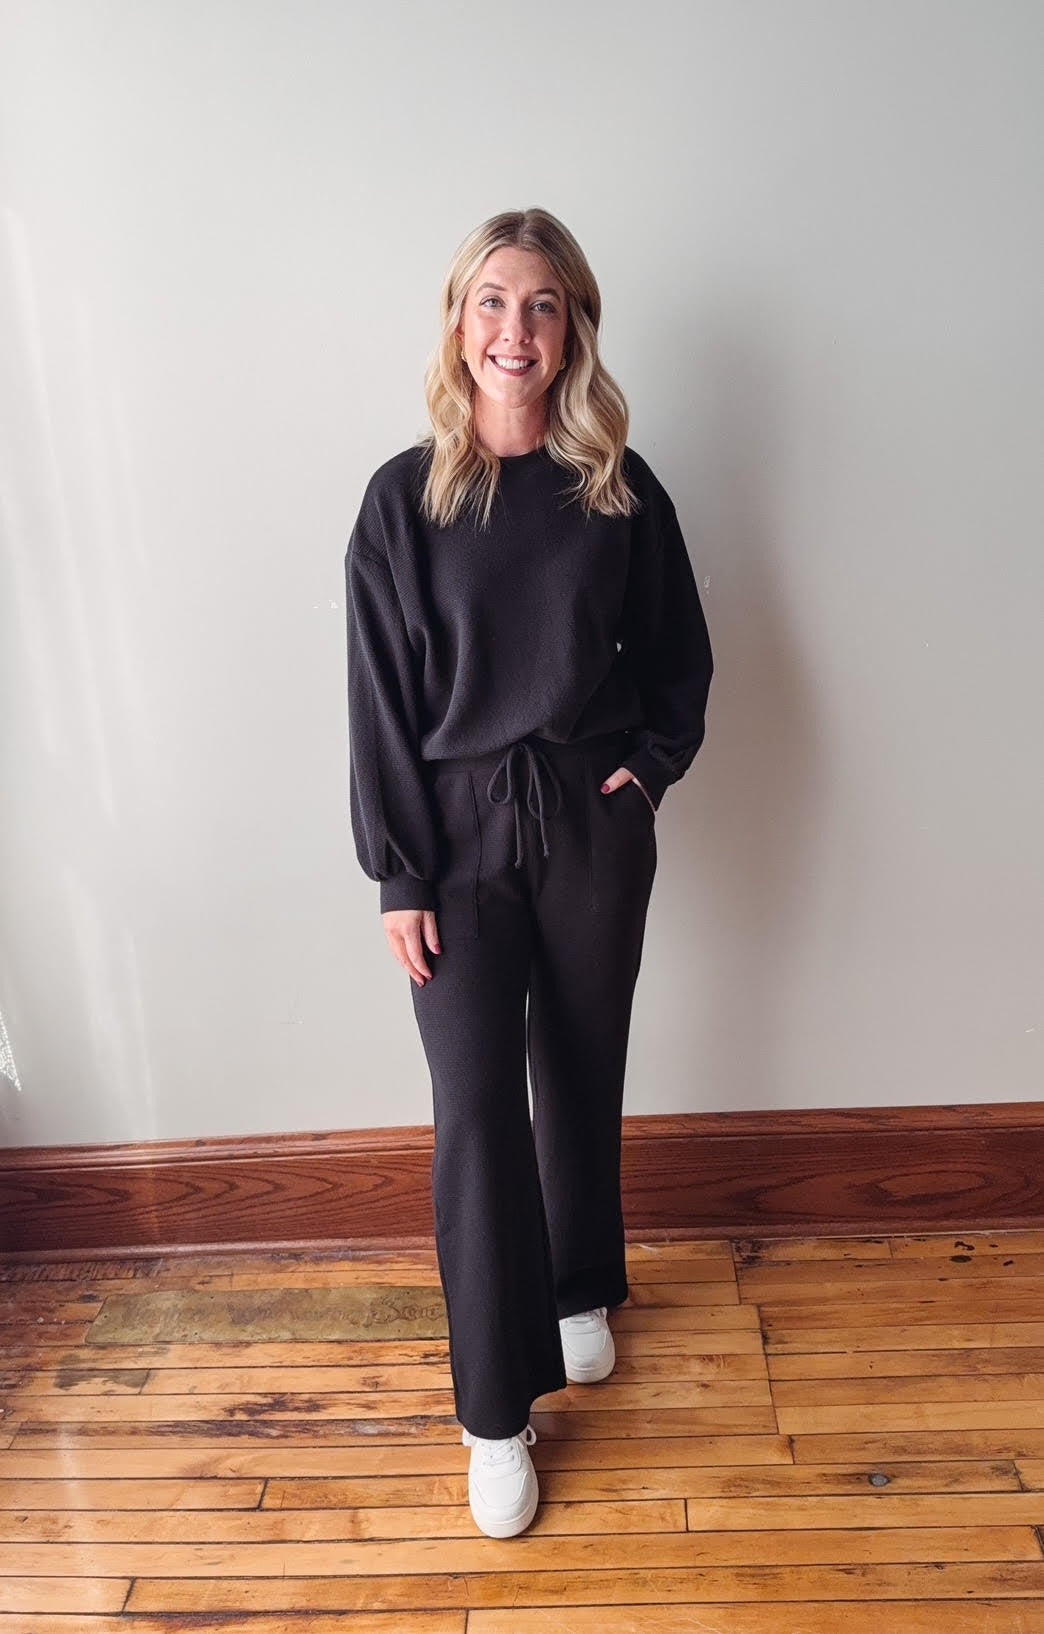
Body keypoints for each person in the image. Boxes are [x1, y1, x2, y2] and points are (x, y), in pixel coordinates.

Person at [344, 207, 713, 1539]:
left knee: (582, 1057)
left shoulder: (617, 485)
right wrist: (398, 873)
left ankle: (576, 1284)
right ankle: (496, 1415)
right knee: (476, 1111)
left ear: (574, 330)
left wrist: (650, 765)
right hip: (450, 834)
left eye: (544, 304)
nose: (517, 328)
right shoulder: (403, 501)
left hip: (588, 818)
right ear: (460, 324)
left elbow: (680, 652)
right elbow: (379, 702)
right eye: (493, 301)